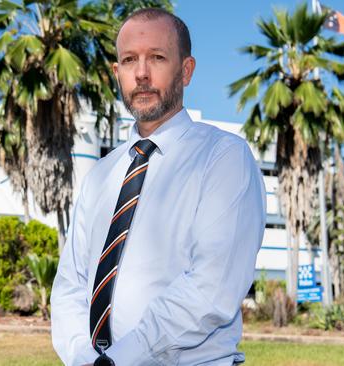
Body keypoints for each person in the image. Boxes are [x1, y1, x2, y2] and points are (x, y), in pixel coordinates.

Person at [50, 8, 266, 366]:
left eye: (157, 58)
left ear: (186, 70)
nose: (142, 73)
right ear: (117, 73)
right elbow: (71, 284)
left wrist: (118, 359)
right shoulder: (101, 175)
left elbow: (210, 287)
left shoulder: (224, 158)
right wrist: (82, 357)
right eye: (129, 60)